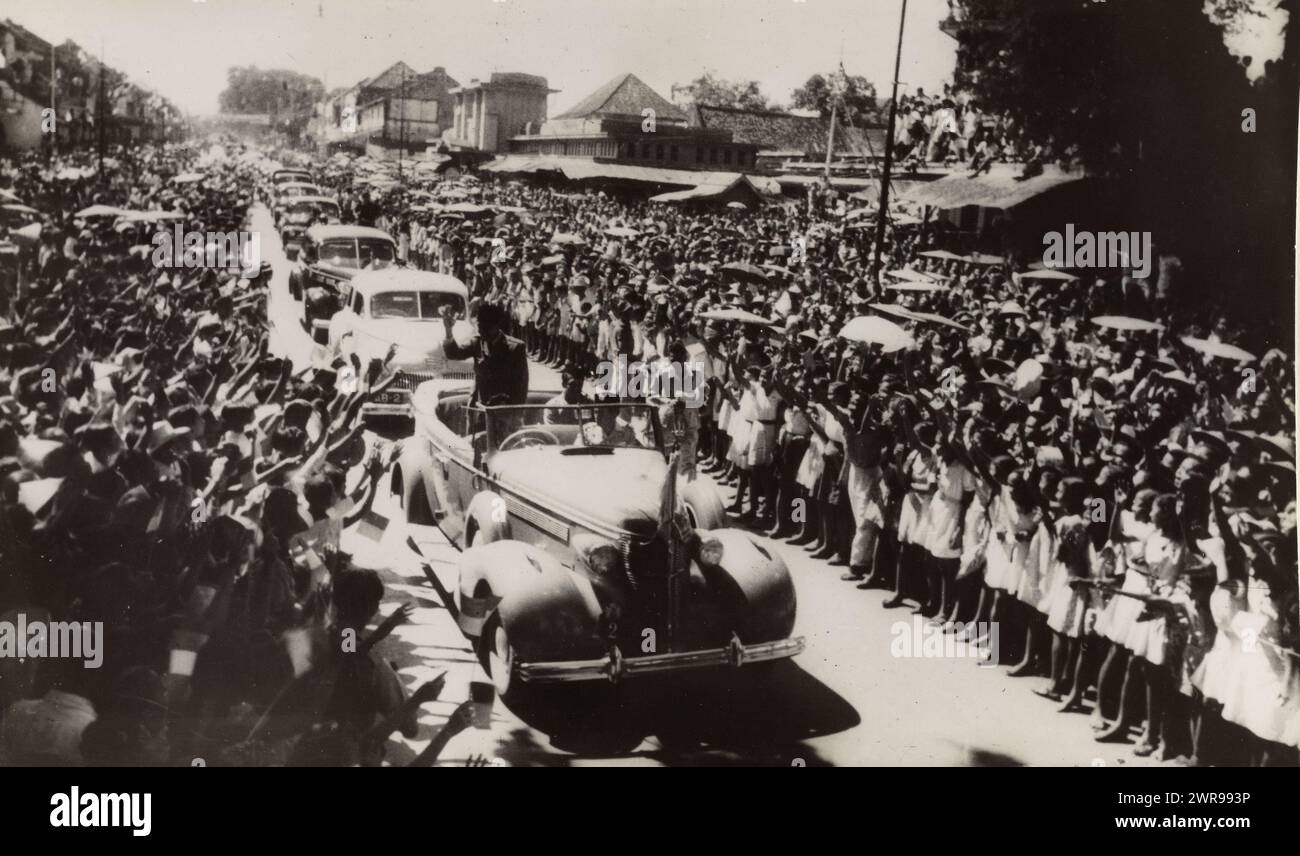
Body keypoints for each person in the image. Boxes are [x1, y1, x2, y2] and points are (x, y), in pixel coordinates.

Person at [442, 302, 528, 407]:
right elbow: (453, 353)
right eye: (479, 327)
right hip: (479, 407)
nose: (482, 332)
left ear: (497, 325)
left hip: (504, 410)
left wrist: (513, 410)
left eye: (486, 328)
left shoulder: (515, 348)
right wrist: (448, 330)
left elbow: (521, 385)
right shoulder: (477, 343)